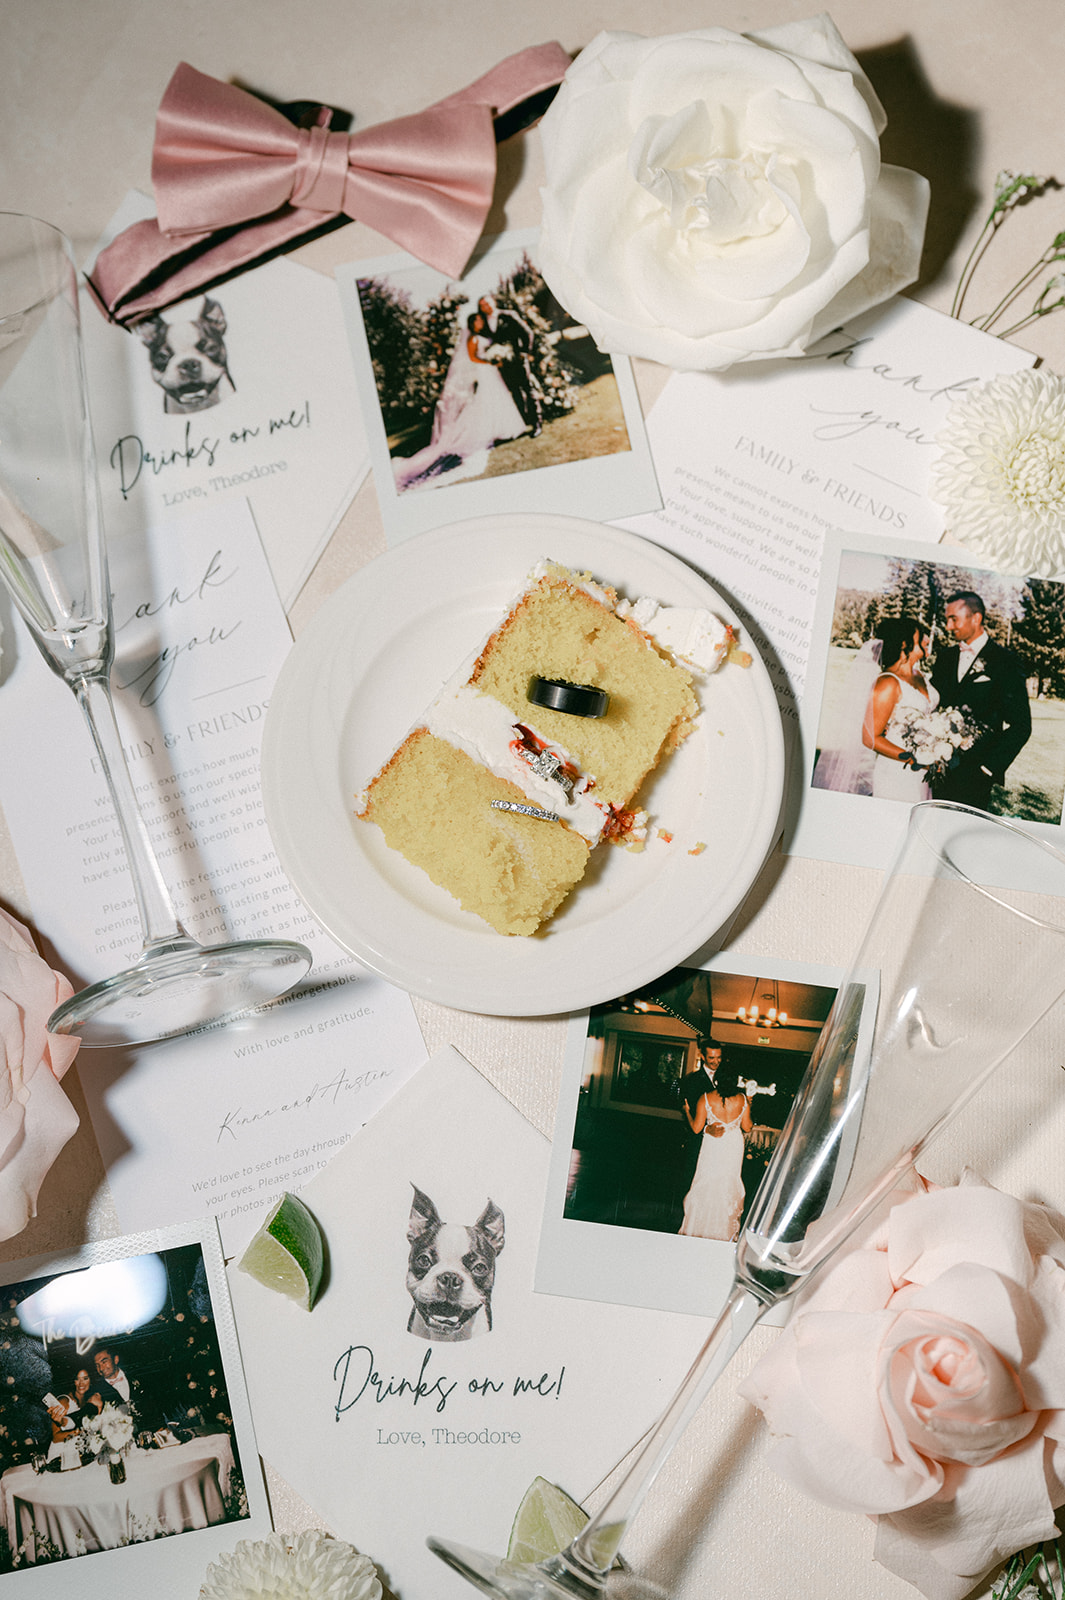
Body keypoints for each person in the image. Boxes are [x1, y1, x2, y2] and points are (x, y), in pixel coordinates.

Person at [393, 309, 526, 492]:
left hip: (491, 372)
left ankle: (501, 427)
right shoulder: (472, 338)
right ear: (472, 323)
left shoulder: (482, 335)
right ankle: (487, 431)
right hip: (484, 372)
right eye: (477, 321)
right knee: (486, 403)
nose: (480, 323)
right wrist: (491, 361)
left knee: (496, 401)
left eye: (481, 320)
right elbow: (473, 357)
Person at [929, 590, 1032, 811]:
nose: (948, 626)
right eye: (947, 619)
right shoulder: (944, 658)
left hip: (975, 777)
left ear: (976, 618)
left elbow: (1021, 725)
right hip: (935, 769)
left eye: (953, 619)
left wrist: (988, 768)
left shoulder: (1006, 662)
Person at [862, 616, 939, 802]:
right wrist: (914, 759)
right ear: (905, 643)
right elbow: (870, 737)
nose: (927, 640)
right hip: (897, 772)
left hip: (923, 773)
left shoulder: (920, 675)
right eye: (921, 636)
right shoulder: (887, 683)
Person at [678, 1059, 752, 1242]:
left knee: (708, 1182)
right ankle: (724, 1232)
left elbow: (696, 1128)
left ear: (717, 1079)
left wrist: (687, 1111)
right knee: (728, 1183)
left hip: (714, 1144)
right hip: (733, 1144)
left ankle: (699, 1227)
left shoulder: (705, 1098)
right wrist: (750, 1105)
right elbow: (748, 1127)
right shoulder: (742, 1099)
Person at [478, 293, 543, 436]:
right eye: (482, 306)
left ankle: (537, 423)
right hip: (503, 364)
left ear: (493, 302)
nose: (486, 307)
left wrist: (524, 352)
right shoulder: (483, 322)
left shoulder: (508, 315)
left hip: (518, 360)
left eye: (487, 303)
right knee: (515, 393)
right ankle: (523, 423)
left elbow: (527, 332)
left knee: (528, 389)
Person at [48, 1366, 103, 1439]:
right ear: (73, 1381)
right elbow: (55, 1437)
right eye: (77, 1379)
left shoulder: (90, 1400)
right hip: (62, 1448)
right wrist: (83, 1432)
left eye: (85, 1378)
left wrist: (99, 1406)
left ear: (91, 1380)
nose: (81, 1384)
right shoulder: (64, 1400)